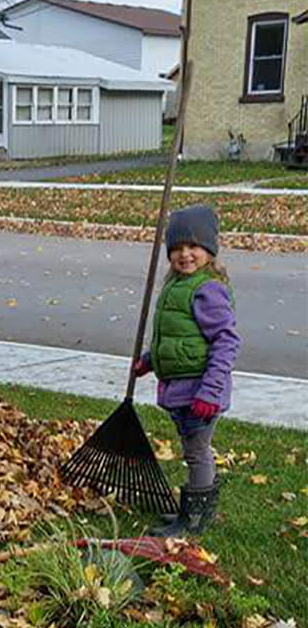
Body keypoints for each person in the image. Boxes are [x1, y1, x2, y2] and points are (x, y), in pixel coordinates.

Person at [135, 205, 241, 538]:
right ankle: (193, 509)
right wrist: (150, 360)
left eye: (193, 247)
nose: (185, 255)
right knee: (192, 449)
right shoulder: (176, 285)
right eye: (177, 248)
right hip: (182, 391)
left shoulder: (206, 290)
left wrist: (210, 392)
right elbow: (177, 335)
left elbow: (226, 342)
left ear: (209, 250)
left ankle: (194, 519)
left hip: (200, 393)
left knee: (197, 451)